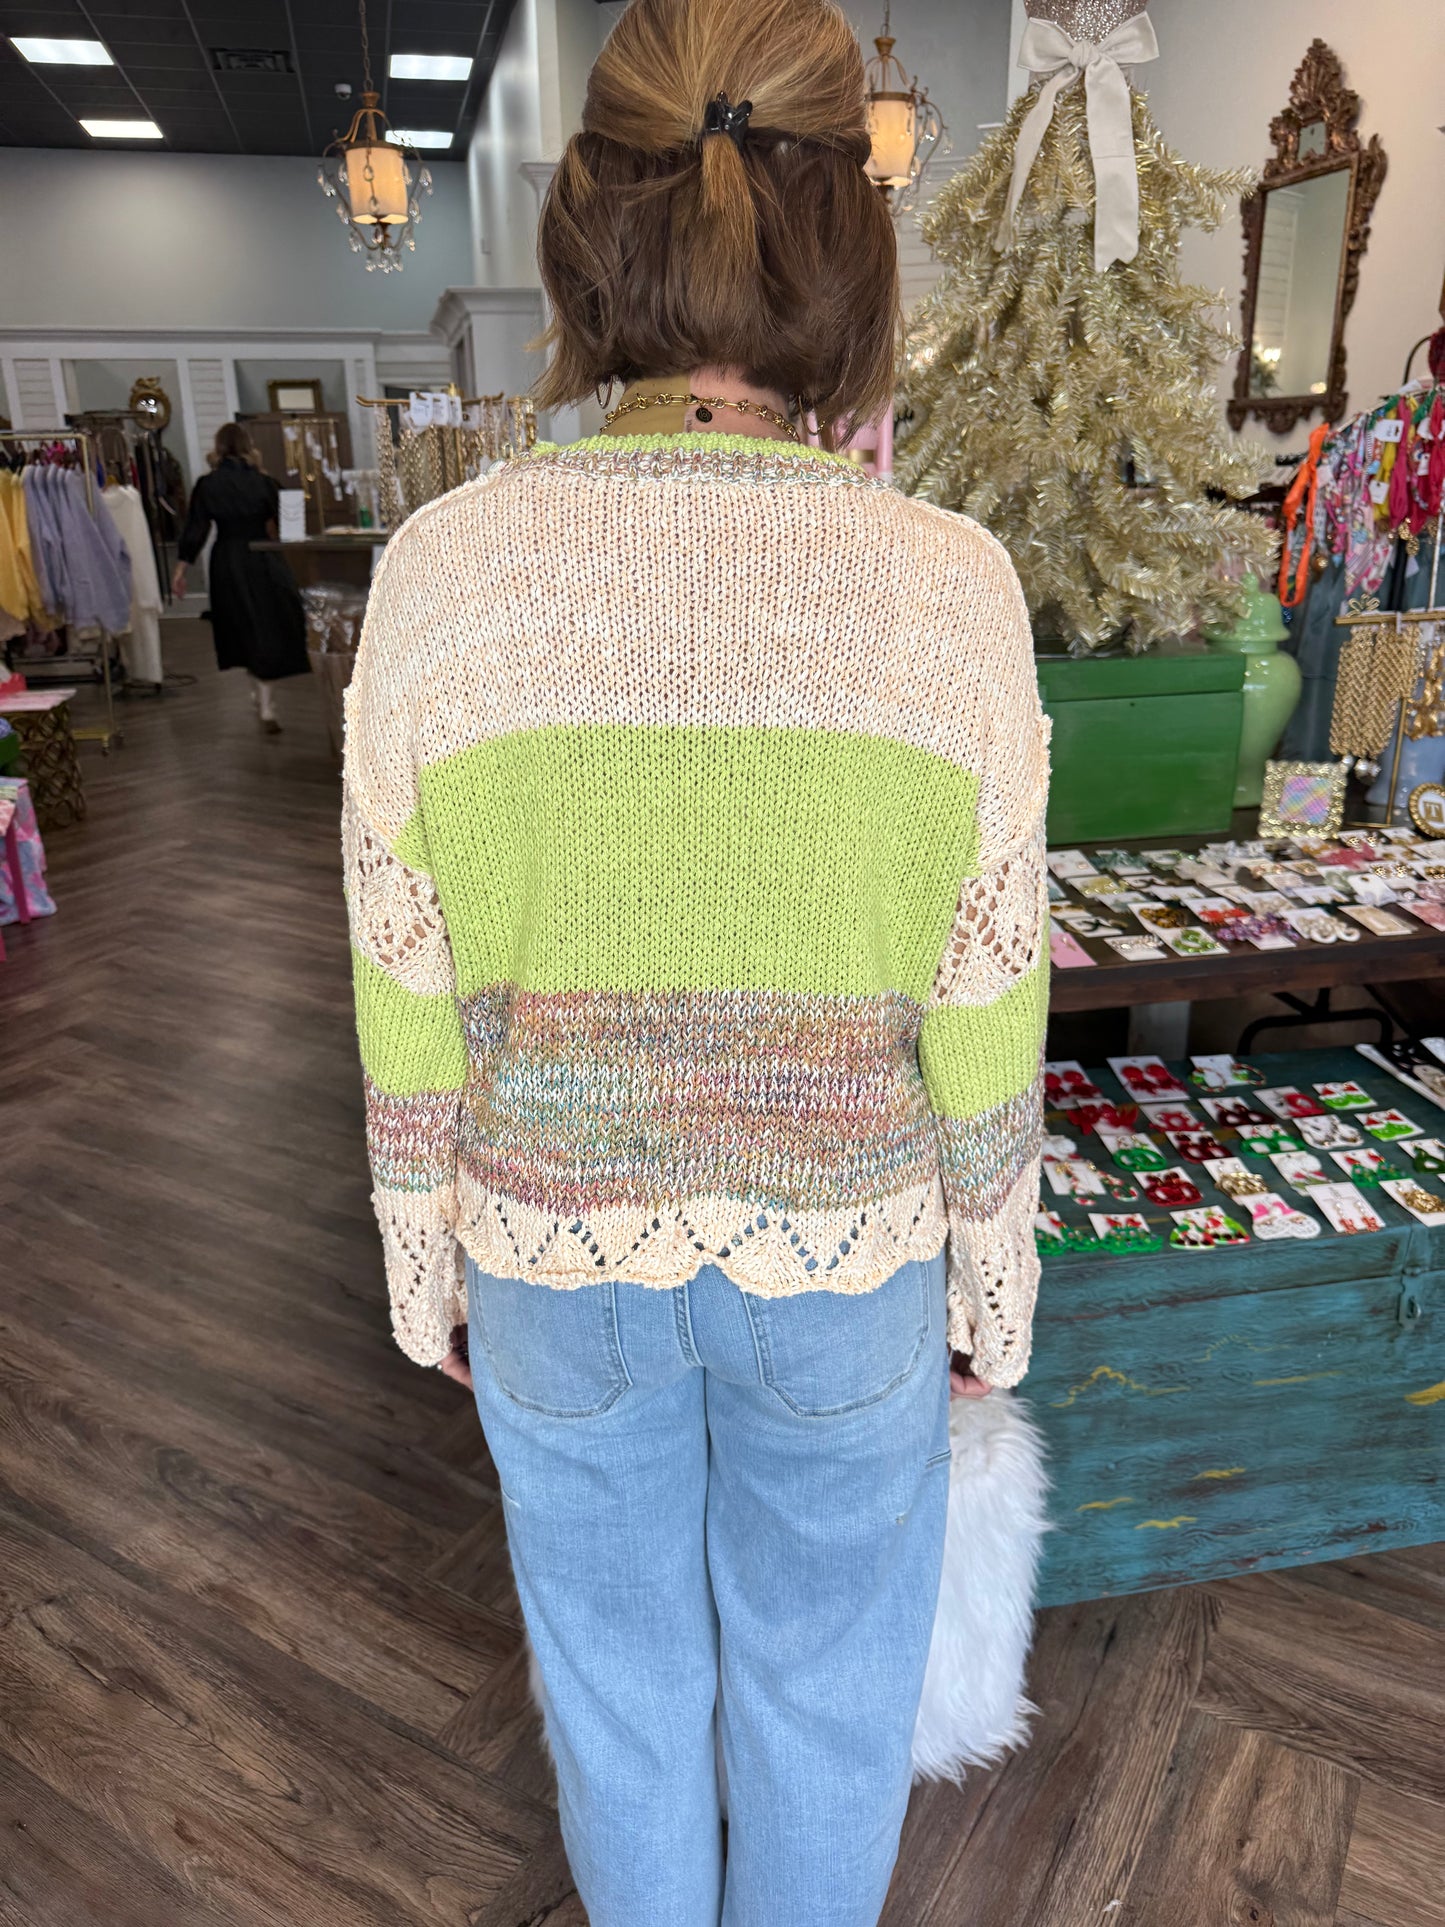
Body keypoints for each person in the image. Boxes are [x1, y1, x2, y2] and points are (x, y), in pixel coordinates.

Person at [341, 0, 1048, 1919]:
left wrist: (429, 1253)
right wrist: (998, 1268)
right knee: (829, 1700)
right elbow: (988, 984)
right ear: (851, 238)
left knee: (617, 1691)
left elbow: (401, 956)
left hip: (552, 1249)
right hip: (853, 1256)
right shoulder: (950, 585)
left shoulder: (442, 573)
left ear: (590, 229)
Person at [172, 421, 307, 731]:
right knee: (269, 626)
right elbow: (292, 525)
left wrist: (180, 569)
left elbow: (196, 529)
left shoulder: (208, 485)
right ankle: (267, 703)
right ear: (249, 447)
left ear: (218, 447)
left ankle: (258, 694)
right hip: (263, 557)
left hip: (227, 560)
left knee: (243, 625)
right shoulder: (266, 483)